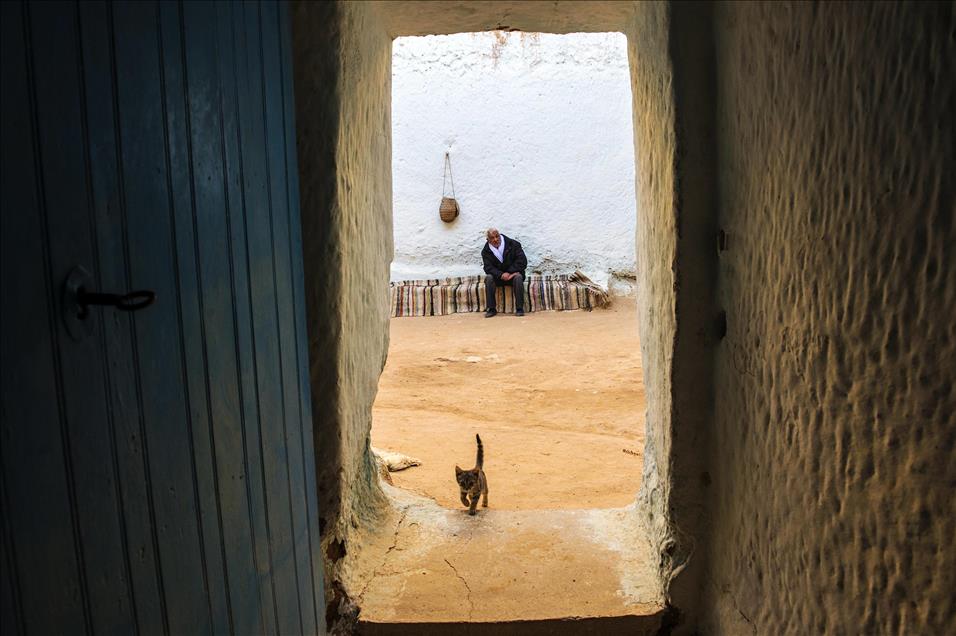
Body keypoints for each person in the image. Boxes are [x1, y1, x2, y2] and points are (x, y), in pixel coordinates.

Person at [481, 227, 528, 317]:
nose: (495, 239)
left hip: (513, 276)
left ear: (499, 235)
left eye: (497, 236)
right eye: (492, 238)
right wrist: (501, 274)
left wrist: (510, 273)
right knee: (489, 278)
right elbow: (488, 268)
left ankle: (519, 308)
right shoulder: (486, 251)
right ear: (488, 240)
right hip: (499, 278)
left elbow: (522, 262)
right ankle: (491, 309)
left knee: (518, 277)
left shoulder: (513, 244)